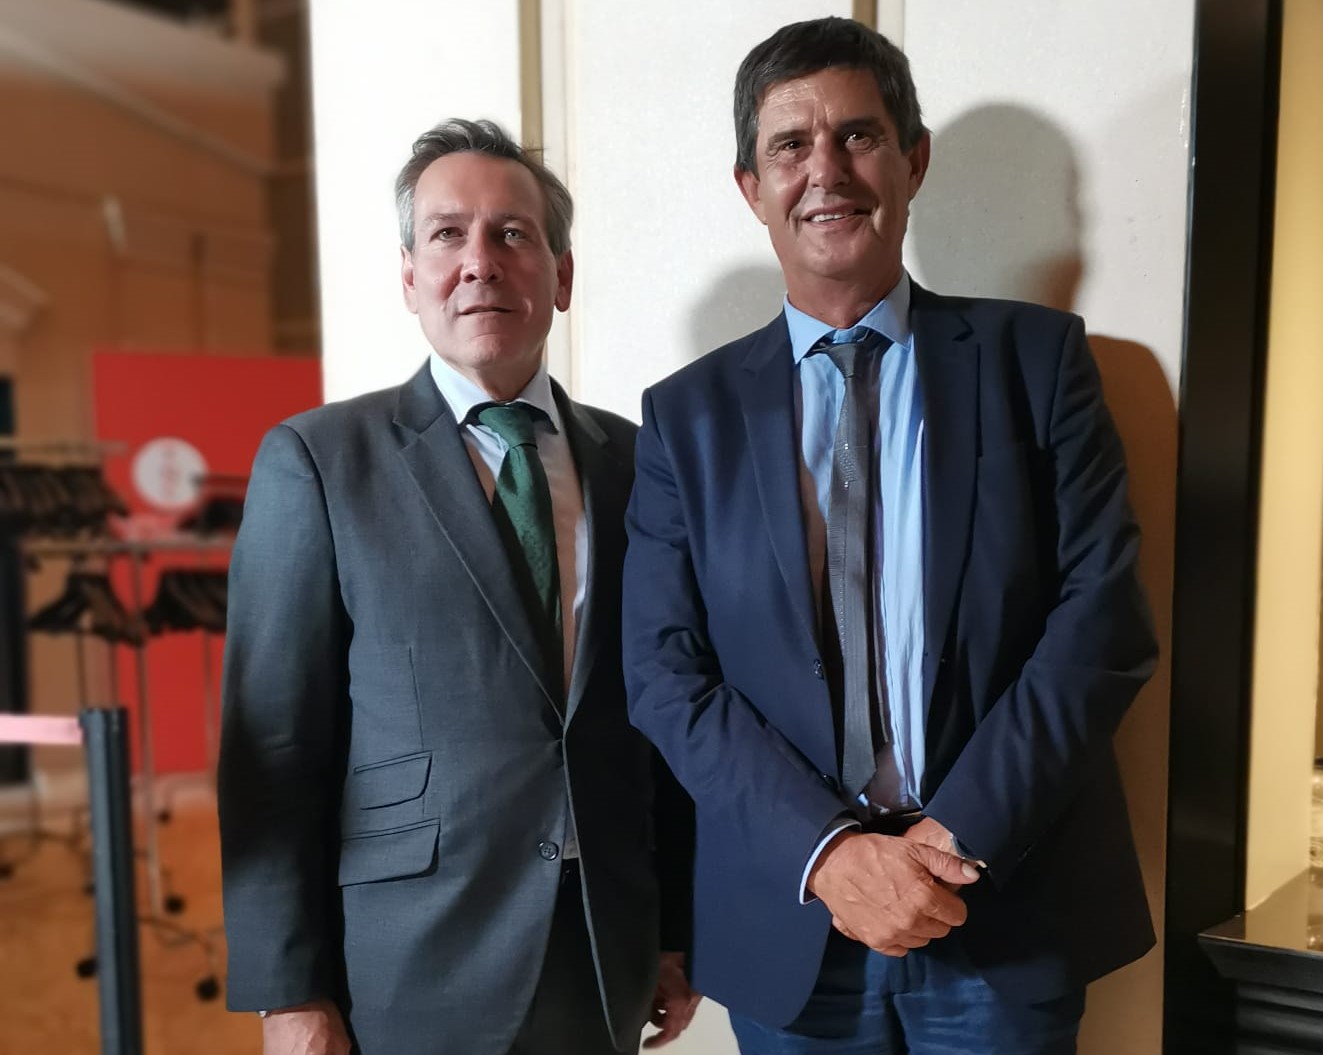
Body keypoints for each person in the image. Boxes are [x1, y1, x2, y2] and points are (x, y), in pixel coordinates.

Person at [622, 18, 1156, 1055]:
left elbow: (1102, 621)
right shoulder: (684, 417)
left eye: (858, 136)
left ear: (913, 161)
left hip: (999, 907)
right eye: (789, 146)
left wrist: (954, 836)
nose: (825, 171)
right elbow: (663, 673)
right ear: (750, 188)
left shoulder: (1036, 362)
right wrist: (827, 853)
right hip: (793, 919)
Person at [219, 118, 697, 1055]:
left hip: (602, 949)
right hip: (408, 965)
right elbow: (271, 746)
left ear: (561, 274)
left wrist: (675, 927)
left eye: (513, 234)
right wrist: (288, 993)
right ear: (410, 276)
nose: (481, 261)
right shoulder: (319, 461)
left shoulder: (637, 462)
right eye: (448, 234)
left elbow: (664, 714)